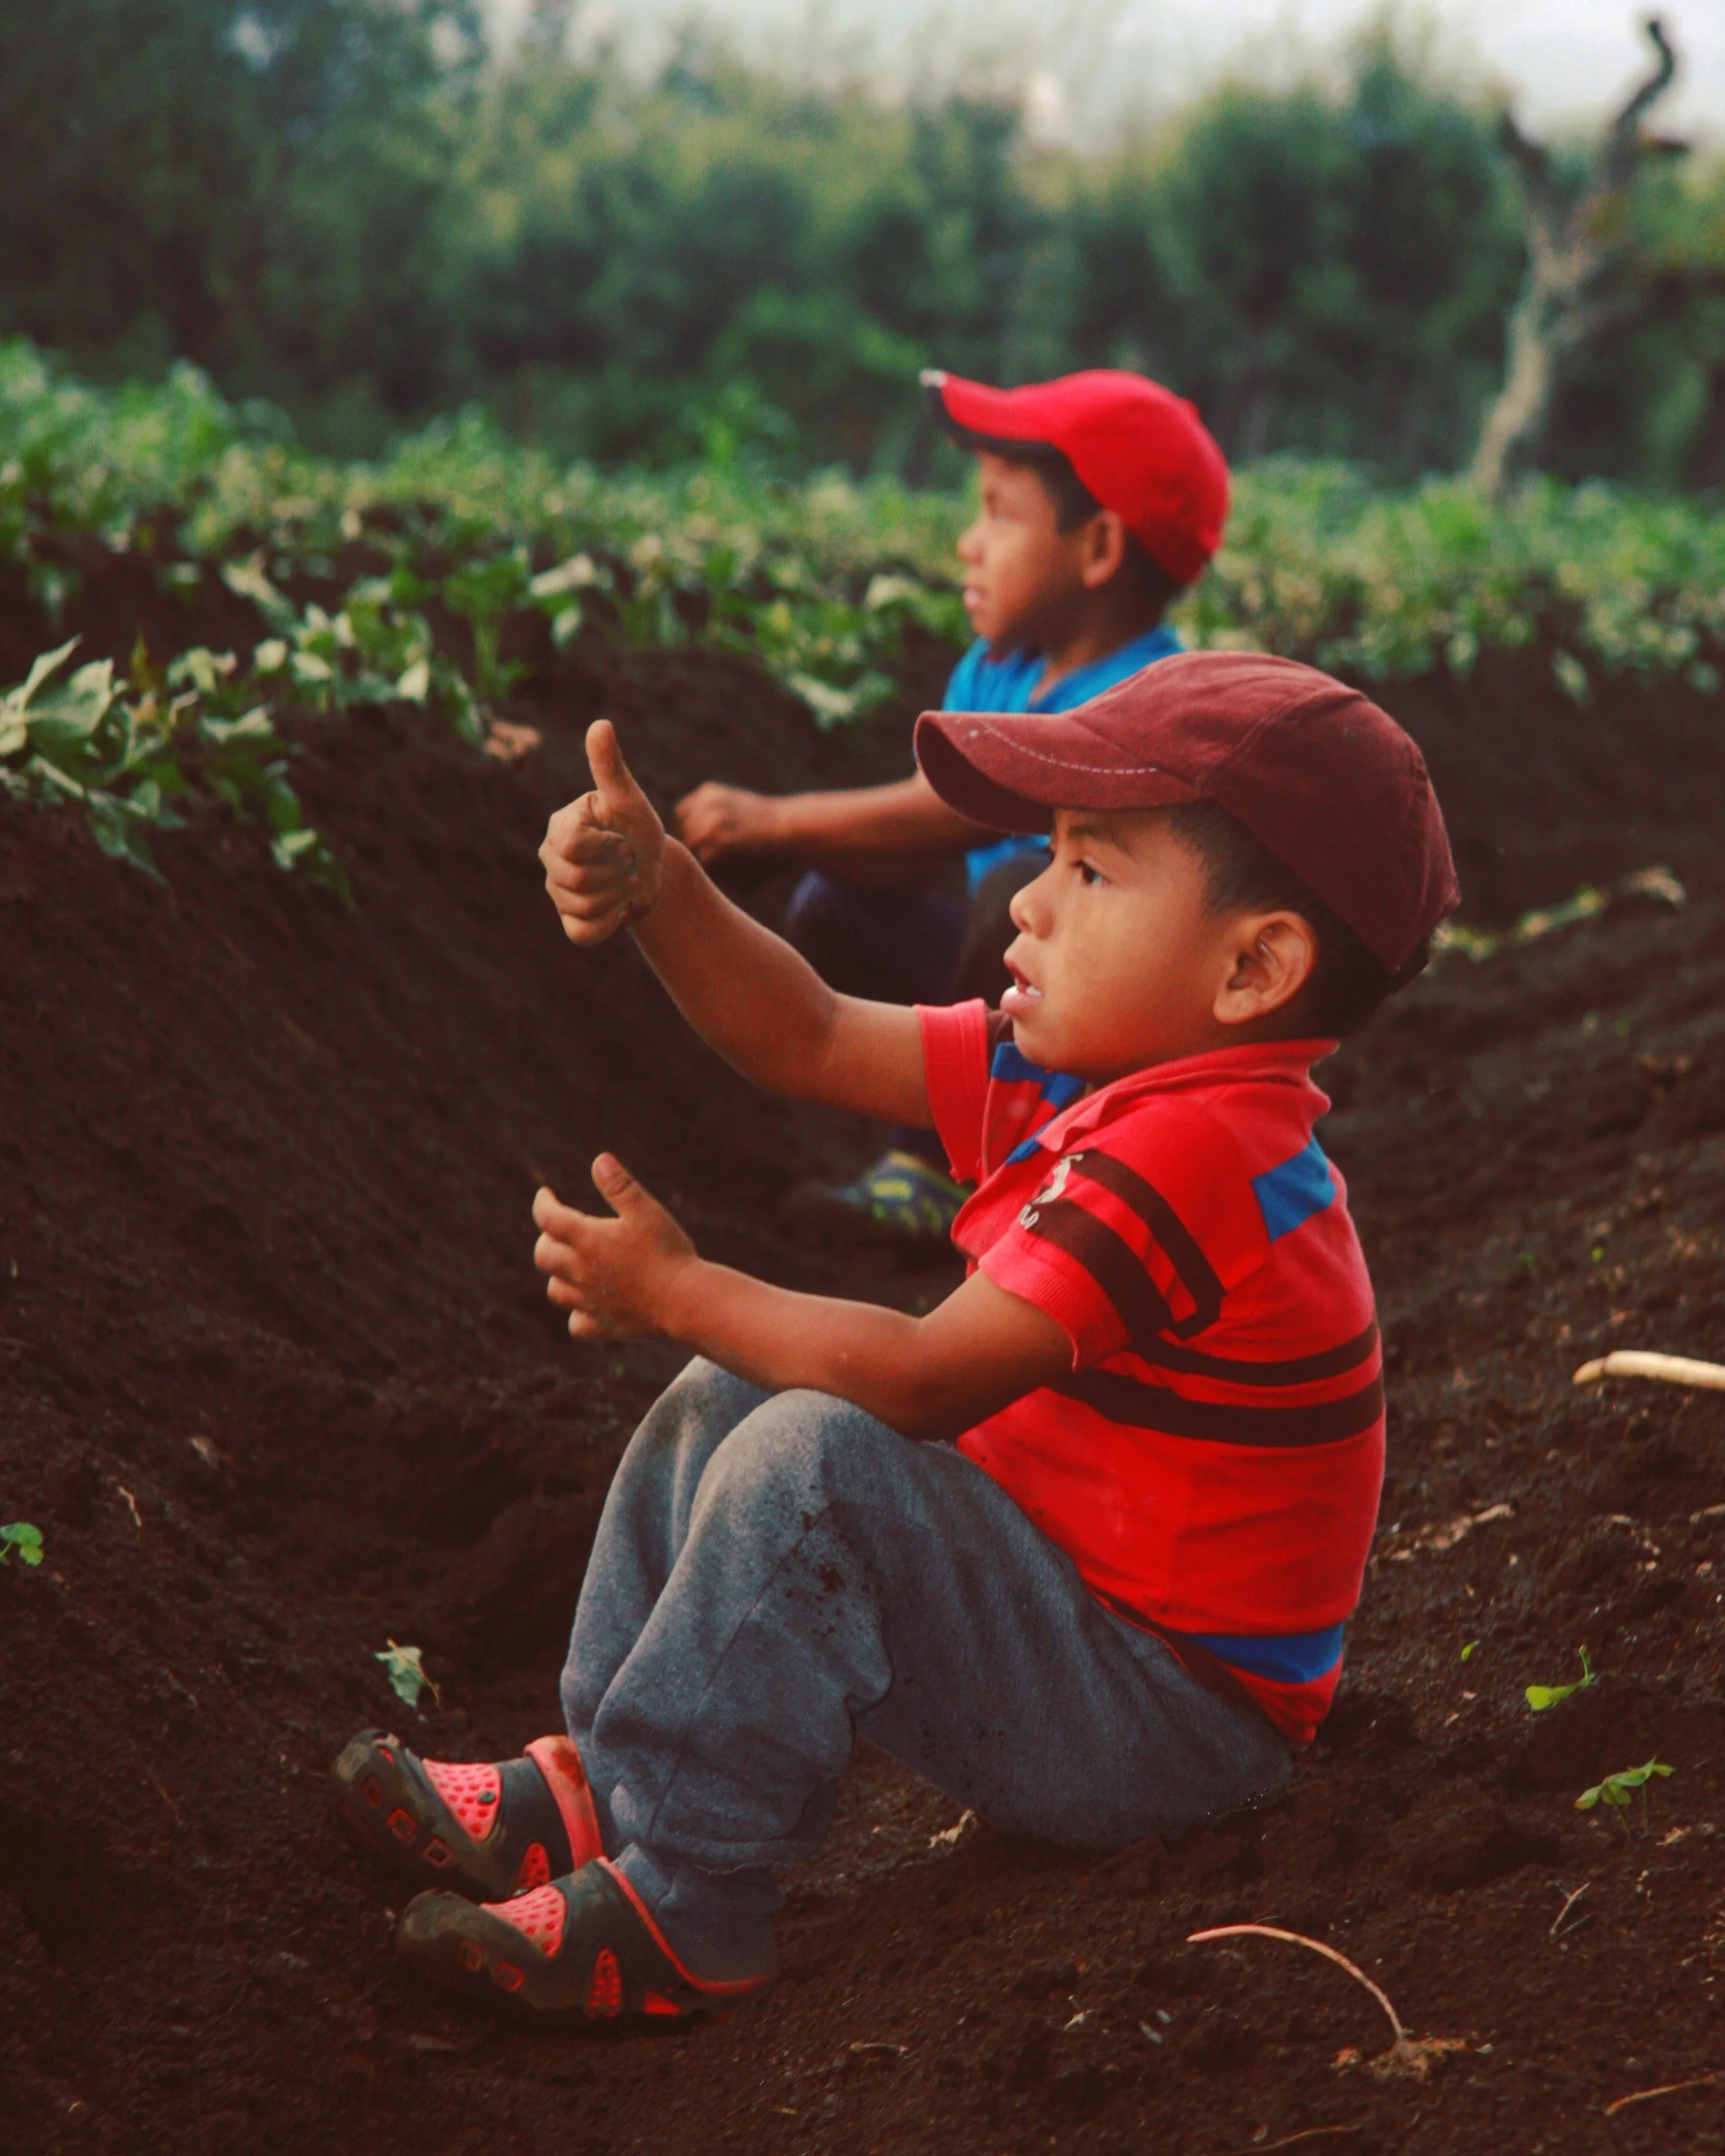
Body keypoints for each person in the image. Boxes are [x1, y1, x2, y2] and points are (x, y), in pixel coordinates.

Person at [331, 650, 1458, 2025]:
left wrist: (678, 1283)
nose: (1027, 903)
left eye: (1090, 873)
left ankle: (688, 1897)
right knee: (741, 1379)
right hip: (1077, 1609)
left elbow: (921, 1382)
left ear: (1253, 965)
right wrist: (663, 886)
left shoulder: (1202, 1151)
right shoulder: (1097, 1068)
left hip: (1172, 1719)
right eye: (1044, 857)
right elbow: (804, 1031)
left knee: (817, 1459)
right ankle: (596, 1786)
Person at [675, 368, 1230, 1245]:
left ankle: (940, 1169)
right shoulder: (999, 668)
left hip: (1106, 1041)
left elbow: (970, 813)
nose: (968, 542)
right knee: (836, 904)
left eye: (999, 514)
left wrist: (775, 822)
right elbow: (908, 844)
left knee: (1015, 878)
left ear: (1098, 550)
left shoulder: (1142, 697)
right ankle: (972, 1145)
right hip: (1016, 998)